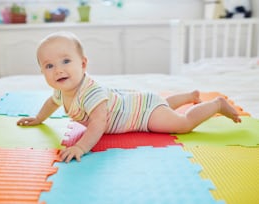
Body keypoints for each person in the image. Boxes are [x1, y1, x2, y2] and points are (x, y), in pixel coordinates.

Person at [17, 31, 241, 163]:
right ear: (42, 72)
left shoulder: (90, 92)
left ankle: (216, 105)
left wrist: (81, 147)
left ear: (83, 64)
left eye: (66, 61)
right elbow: (51, 103)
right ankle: (188, 96)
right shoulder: (61, 90)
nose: (58, 70)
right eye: (49, 65)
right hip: (140, 102)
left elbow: (98, 124)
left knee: (180, 124)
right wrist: (38, 118)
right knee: (160, 104)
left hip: (142, 115)